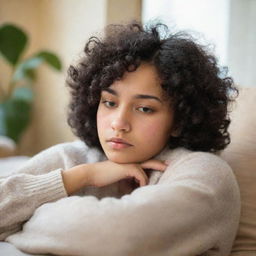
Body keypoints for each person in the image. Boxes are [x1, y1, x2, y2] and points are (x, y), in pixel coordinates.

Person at [0, 21, 240, 256]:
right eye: (109, 102)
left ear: (178, 120)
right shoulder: (74, 157)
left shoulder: (207, 175)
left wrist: (21, 223)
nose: (118, 123)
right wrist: (83, 175)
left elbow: (119, 236)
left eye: (145, 108)